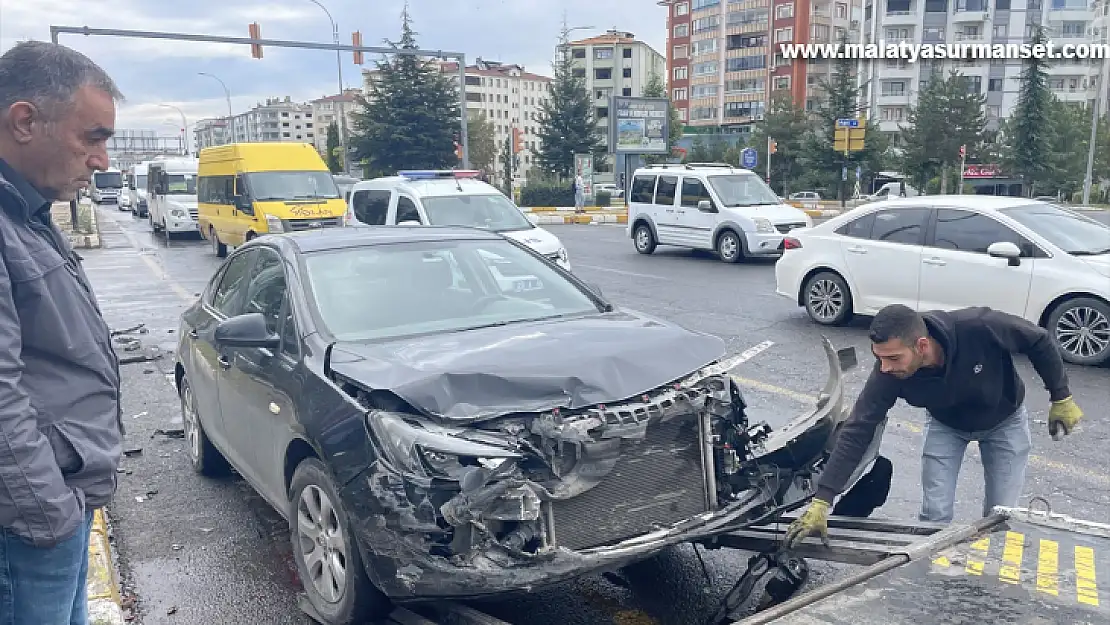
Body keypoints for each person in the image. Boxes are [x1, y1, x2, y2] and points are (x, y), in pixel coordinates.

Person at [785, 304, 1083, 548]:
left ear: (922, 345)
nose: (885, 367)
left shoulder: (978, 327)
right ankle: (934, 586)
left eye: (893, 358)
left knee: (1001, 515)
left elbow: (1038, 339)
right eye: (879, 358)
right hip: (946, 425)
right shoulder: (887, 372)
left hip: (1003, 420)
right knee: (934, 516)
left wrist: (1061, 396)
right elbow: (858, 428)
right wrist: (823, 499)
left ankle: (992, 593)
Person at [0, 41, 124, 624]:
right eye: (92, 137)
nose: (101, 159)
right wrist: (51, 514)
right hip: (29, 526)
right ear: (25, 121)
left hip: (54, 506)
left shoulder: (24, 211)